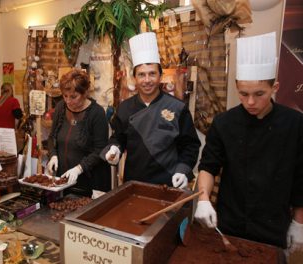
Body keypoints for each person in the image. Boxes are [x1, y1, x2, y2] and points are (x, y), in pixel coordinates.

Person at [194, 32, 303, 249]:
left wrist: (299, 222)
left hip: (273, 226)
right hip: (230, 222)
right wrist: (204, 198)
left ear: (275, 88)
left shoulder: (295, 123)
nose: (250, 102)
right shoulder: (224, 123)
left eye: (259, 94)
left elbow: (301, 177)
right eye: (243, 94)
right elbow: (208, 166)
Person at [101, 32, 200, 188]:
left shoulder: (177, 108)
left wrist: (183, 170)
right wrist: (115, 149)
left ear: (160, 76)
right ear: (135, 78)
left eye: (152, 74)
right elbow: (118, 138)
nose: (147, 80)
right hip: (133, 185)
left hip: (168, 183)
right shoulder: (125, 108)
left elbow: (190, 146)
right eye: (141, 75)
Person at [47, 69, 111, 197]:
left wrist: (79, 168)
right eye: (65, 96)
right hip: (65, 182)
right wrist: (53, 155)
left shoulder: (97, 113)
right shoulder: (61, 108)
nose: (68, 101)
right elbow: (51, 137)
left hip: (91, 183)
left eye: (73, 96)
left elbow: (100, 150)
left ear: (85, 93)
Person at [0, 83, 22, 150]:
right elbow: (18, 115)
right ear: (11, 91)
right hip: (6, 135)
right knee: (7, 158)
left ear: (1, 91)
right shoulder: (14, 101)